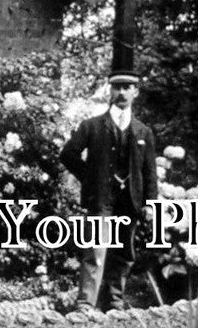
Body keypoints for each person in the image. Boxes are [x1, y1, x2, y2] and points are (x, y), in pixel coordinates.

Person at [60, 72, 158, 311]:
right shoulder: (92, 126)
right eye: (117, 88)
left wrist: (150, 204)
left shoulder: (143, 132)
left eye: (127, 88)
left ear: (136, 92)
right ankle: (86, 303)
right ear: (110, 92)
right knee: (96, 250)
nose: (121, 93)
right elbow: (68, 154)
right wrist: (90, 178)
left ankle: (115, 300)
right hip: (101, 200)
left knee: (124, 252)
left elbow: (150, 173)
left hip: (130, 201)